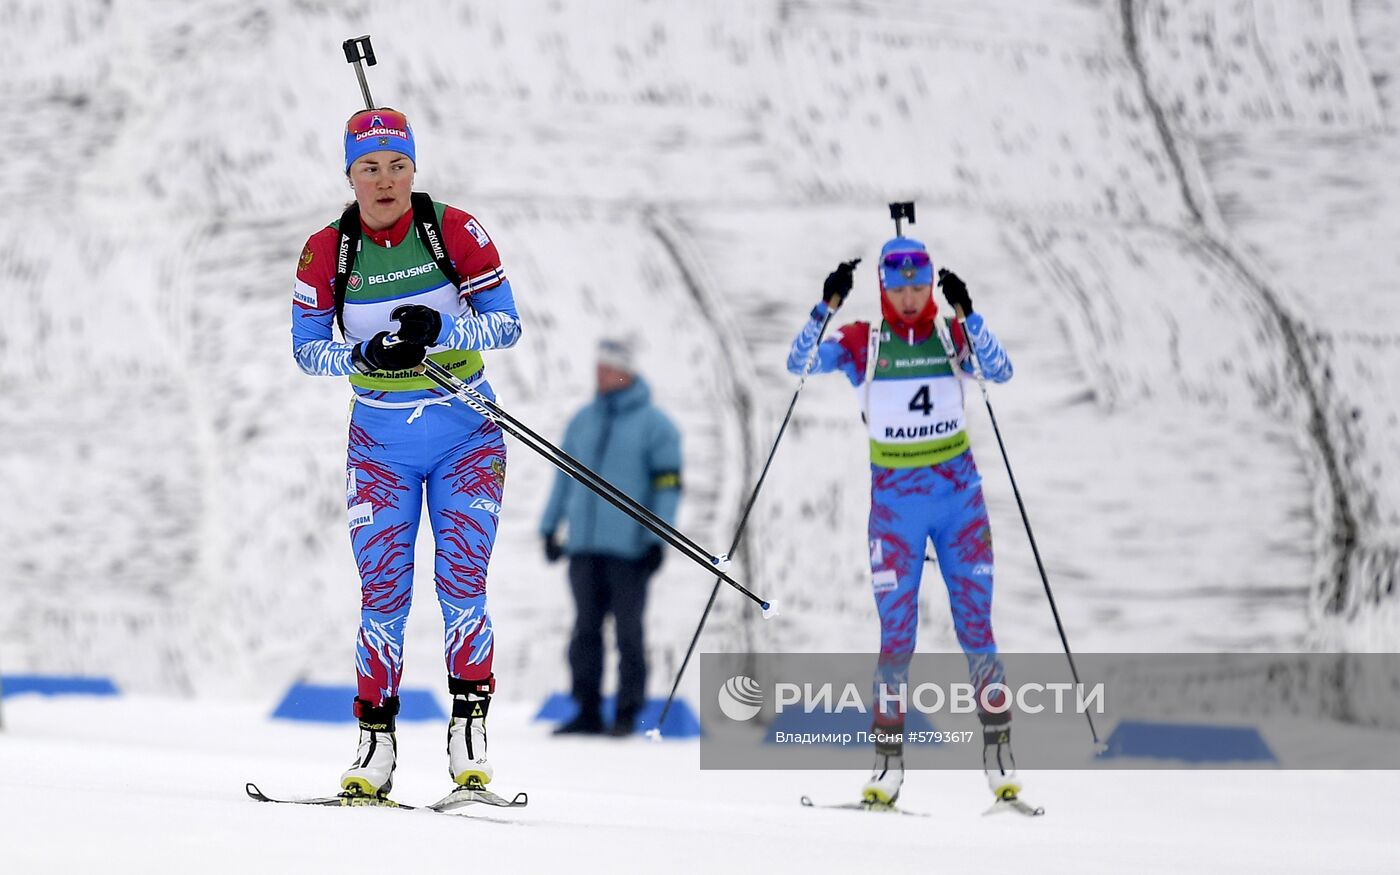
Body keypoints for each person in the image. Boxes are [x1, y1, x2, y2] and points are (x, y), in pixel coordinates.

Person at [290, 106, 521, 798]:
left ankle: (469, 741)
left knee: (462, 588)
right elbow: (307, 350)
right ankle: (375, 746)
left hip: (465, 437)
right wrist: (366, 349)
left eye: (398, 165)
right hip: (380, 447)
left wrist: (442, 324)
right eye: (369, 167)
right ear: (349, 175)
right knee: (382, 596)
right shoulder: (328, 250)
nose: (385, 180)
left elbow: (507, 323)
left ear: (413, 169)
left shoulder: (452, 230)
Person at [785, 237, 1019, 807]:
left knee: (976, 630)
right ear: (885, 288)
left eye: (920, 286)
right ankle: (886, 767)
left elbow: (1001, 372)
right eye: (900, 287)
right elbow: (800, 363)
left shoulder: (949, 336)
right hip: (894, 513)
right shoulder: (865, 341)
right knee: (897, 639)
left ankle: (1000, 763)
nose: (911, 298)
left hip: (960, 505)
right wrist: (826, 306)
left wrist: (970, 314)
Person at [539, 338, 683, 737]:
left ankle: (627, 711)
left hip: (629, 550)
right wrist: (550, 527)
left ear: (626, 372)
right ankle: (586, 709)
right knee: (584, 631)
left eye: (607, 369)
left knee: (628, 633)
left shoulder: (656, 426)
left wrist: (658, 539)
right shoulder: (583, 420)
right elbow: (564, 477)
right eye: (597, 368)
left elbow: (668, 486)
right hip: (583, 547)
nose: (598, 375)